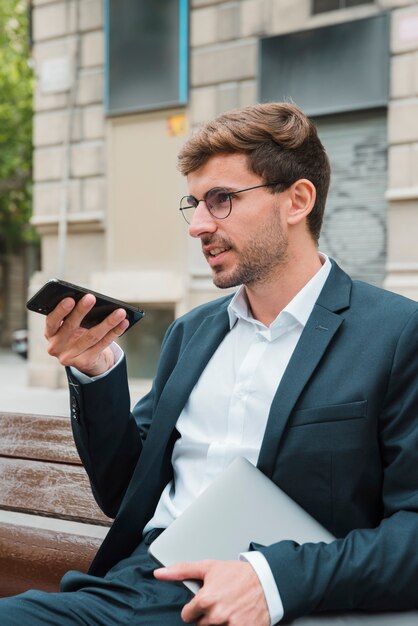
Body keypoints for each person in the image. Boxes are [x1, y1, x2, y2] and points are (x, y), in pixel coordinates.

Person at [1, 102, 418, 625]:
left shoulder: (397, 333)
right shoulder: (192, 333)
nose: (198, 225)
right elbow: (122, 495)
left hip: (286, 602)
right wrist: (97, 369)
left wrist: (271, 580)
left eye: (221, 200)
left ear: (297, 200)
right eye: (195, 203)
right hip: (145, 586)